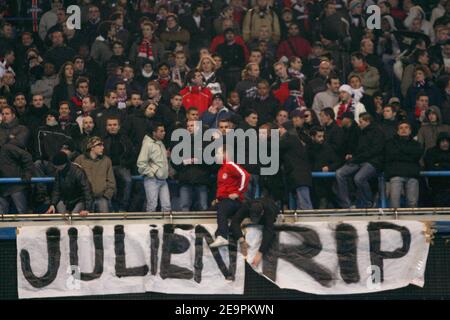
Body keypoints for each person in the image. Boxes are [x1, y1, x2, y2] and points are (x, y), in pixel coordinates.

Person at [335, 113, 385, 208]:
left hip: (373, 161)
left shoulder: (378, 132)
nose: (359, 124)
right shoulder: (361, 132)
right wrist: (353, 156)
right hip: (359, 160)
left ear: (367, 121)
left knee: (359, 178)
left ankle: (368, 202)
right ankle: (346, 204)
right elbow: (358, 149)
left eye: (361, 122)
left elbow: (375, 150)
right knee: (340, 173)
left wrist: (357, 158)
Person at [210, 145, 250, 248]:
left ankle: (222, 236)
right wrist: (217, 198)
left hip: (233, 201)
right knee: (216, 207)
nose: (216, 156)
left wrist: (238, 192)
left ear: (225, 154)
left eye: (218, 153)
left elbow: (245, 175)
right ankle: (222, 235)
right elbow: (224, 187)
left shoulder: (230, 165)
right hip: (225, 200)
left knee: (223, 207)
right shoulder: (221, 170)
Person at [172, 120, 210, 212]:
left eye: (192, 125)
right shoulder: (180, 142)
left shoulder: (205, 142)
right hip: (185, 179)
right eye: (188, 126)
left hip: (201, 179)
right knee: (184, 207)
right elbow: (174, 162)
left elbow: (210, 160)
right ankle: (184, 226)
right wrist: (184, 162)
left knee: (203, 207)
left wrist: (198, 160)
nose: (189, 127)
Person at [230, 196, 279, 266]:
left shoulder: (269, 211)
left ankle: (251, 221)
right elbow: (234, 222)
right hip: (252, 209)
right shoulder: (246, 206)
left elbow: (268, 232)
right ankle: (249, 220)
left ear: (262, 213)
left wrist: (260, 253)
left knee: (268, 229)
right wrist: (241, 240)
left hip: (271, 209)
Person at [384, 121, 423, 208]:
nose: (403, 130)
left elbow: (416, 156)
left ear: (410, 131)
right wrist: (408, 154)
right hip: (396, 174)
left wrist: (400, 153)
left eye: (406, 127)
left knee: (412, 203)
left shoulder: (416, 144)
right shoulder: (390, 143)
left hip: (412, 174)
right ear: (397, 131)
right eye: (401, 128)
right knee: (394, 203)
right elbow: (391, 155)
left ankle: (412, 221)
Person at [74, 136, 116, 213]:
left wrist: (106, 196)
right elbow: (74, 180)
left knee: (105, 221)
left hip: (101, 197)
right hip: (84, 198)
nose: (103, 147)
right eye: (99, 145)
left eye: (102, 145)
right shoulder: (79, 160)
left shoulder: (106, 160)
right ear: (92, 147)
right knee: (73, 217)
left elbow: (111, 182)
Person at [137, 123, 171, 212]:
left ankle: (166, 226)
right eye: (161, 131)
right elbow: (141, 163)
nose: (164, 133)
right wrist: (152, 173)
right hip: (152, 180)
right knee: (152, 206)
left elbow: (159, 161)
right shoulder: (147, 144)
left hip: (163, 180)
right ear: (154, 133)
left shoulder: (161, 143)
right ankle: (150, 225)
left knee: (167, 206)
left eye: (164, 131)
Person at [103, 117, 135, 212]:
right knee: (111, 188)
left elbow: (132, 154)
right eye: (110, 125)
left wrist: (126, 164)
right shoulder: (102, 140)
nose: (112, 127)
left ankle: (123, 208)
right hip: (106, 168)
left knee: (128, 181)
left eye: (114, 125)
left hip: (122, 166)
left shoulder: (125, 139)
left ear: (119, 126)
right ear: (106, 127)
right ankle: (112, 209)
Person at [279, 121, 313, 210]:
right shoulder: (293, 139)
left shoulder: (290, 138)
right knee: (300, 202)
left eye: (281, 128)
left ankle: (309, 221)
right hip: (298, 176)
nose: (279, 130)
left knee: (304, 204)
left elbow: (275, 146)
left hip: (300, 176)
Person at [46, 151, 92, 216]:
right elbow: (56, 190)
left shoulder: (78, 172)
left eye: (56, 166)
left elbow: (86, 190)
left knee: (74, 216)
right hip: (65, 200)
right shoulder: (58, 172)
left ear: (62, 164)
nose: (55, 168)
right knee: (63, 216)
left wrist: (87, 209)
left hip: (79, 200)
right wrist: (53, 204)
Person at [309, 127, 341, 209]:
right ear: (313, 137)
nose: (321, 139)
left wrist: (329, 168)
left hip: (325, 186)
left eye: (322, 136)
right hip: (312, 186)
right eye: (319, 136)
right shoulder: (307, 150)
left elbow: (337, 162)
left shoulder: (327, 148)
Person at [424, 132, 450, 206]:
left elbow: (434, 166)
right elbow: (430, 166)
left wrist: (440, 164)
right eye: (442, 141)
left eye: (447, 141)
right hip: (436, 188)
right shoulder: (431, 152)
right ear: (438, 142)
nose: (445, 143)